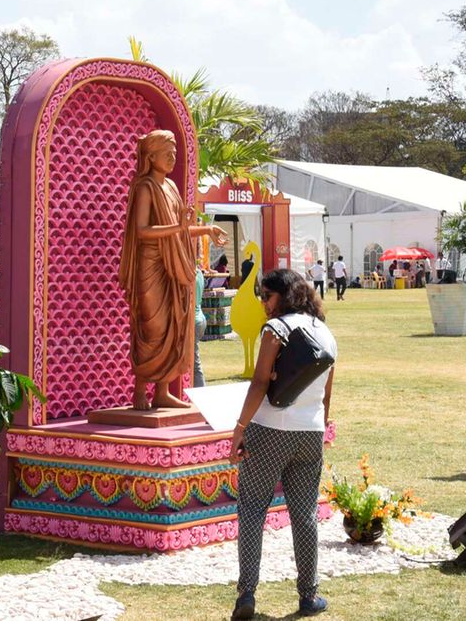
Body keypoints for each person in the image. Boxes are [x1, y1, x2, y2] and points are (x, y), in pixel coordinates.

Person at [230, 269, 336, 619]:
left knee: (252, 510)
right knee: (304, 516)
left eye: (267, 296)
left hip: (270, 430)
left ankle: (246, 594)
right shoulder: (326, 332)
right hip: (310, 434)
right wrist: (320, 428)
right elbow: (326, 396)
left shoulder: (276, 329)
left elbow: (260, 382)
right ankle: (309, 595)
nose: (262, 303)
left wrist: (240, 427)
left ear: (284, 296)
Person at [118, 129, 227, 410]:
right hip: (151, 265)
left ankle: (162, 391)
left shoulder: (171, 188)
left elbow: (181, 230)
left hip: (172, 267)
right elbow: (141, 231)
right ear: (150, 156)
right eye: (167, 153)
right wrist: (178, 228)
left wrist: (206, 229)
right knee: (152, 327)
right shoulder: (144, 187)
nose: (172, 158)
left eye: (175, 154)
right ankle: (140, 390)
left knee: (173, 327)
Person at [193, 267, 207, 387]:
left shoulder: (190, 274)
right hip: (200, 318)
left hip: (193, 320)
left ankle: (201, 391)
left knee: (195, 363)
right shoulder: (199, 273)